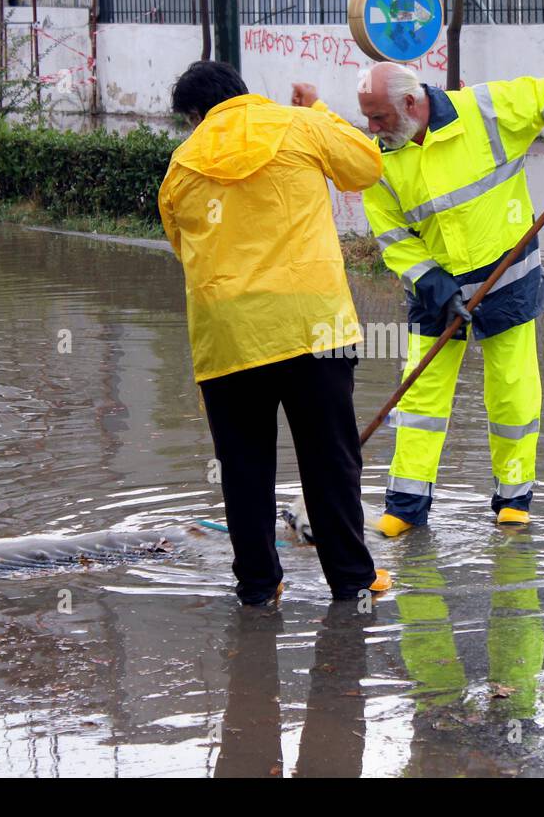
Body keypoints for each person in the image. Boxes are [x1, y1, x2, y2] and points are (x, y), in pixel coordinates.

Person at [295, 63, 544, 536]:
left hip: (506, 276)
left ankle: (513, 499)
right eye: (367, 118)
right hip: (434, 289)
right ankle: (405, 505)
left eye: (379, 118)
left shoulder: (483, 109)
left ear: (412, 104)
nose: (372, 130)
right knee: (420, 397)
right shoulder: (381, 159)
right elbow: (393, 236)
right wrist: (434, 283)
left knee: (512, 388)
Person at [158, 60, 391, 604]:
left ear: (196, 115)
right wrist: (320, 111)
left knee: (243, 468)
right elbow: (366, 167)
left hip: (229, 338)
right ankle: (352, 580)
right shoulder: (298, 125)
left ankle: (259, 585)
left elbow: (182, 246)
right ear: (243, 93)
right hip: (313, 325)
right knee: (330, 459)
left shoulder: (181, 166)